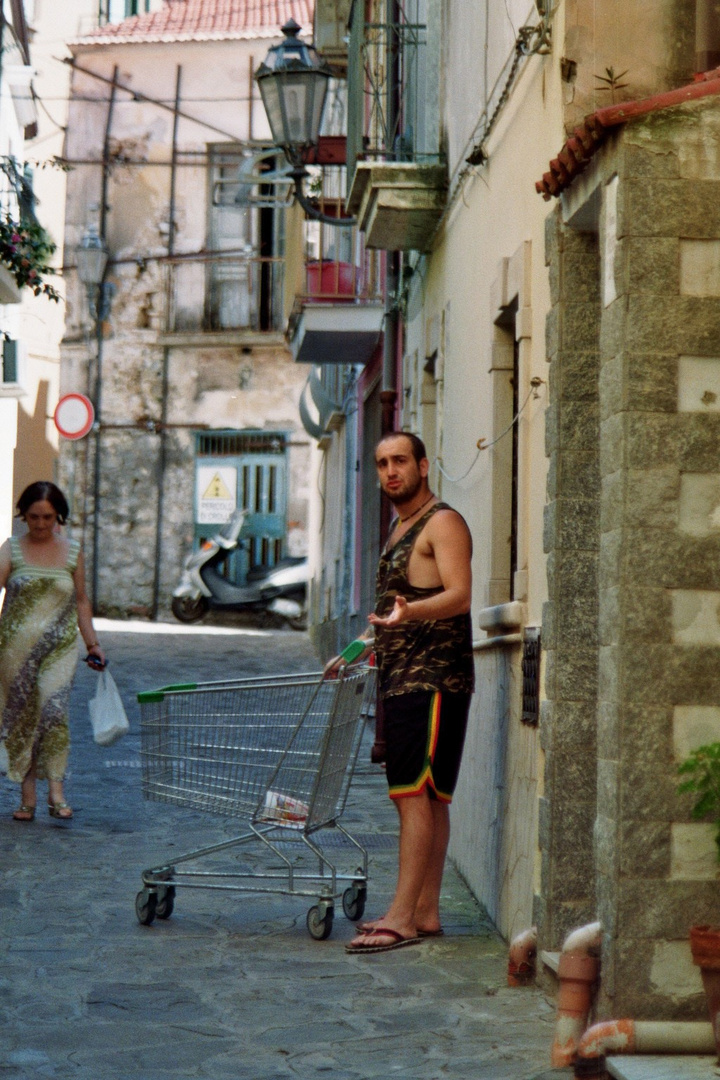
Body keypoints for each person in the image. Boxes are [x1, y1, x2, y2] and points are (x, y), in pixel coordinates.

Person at [326, 432, 474, 954]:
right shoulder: (398, 528)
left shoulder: (444, 522)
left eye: (400, 461)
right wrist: (355, 650)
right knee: (427, 797)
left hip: (433, 678)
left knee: (413, 795)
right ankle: (425, 911)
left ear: (424, 466)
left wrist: (411, 614)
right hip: (401, 677)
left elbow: (458, 596)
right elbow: (390, 610)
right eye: (383, 463)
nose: (391, 471)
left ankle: (401, 916)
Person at [0, 481, 106, 821]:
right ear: (23, 516)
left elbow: (81, 600)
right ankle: (27, 796)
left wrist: (92, 643)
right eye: (33, 517)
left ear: (57, 515)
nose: (40, 524)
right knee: (25, 718)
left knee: (54, 713)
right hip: (15, 652)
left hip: (59, 648)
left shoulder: (72, 551)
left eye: (47, 517)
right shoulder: (11, 550)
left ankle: (57, 792)